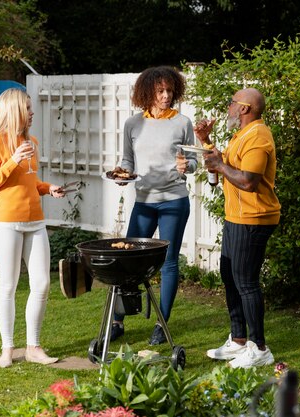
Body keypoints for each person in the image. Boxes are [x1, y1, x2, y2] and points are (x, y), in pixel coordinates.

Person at [111, 66, 198, 345]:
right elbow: (127, 161)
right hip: (144, 202)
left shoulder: (183, 123)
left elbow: (193, 162)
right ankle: (117, 322)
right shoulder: (133, 124)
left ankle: (162, 324)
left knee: (169, 263)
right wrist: (122, 175)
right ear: (147, 92)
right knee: (128, 259)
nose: (165, 96)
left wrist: (188, 165)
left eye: (169, 91)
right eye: (160, 91)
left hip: (174, 200)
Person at [0, 88, 67, 368]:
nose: (32, 113)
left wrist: (47, 188)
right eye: (28, 109)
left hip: (35, 220)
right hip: (6, 222)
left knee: (41, 284)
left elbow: (29, 183)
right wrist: (13, 160)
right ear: (14, 111)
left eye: (31, 108)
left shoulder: (32, 141)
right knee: (8, 285)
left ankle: (33, 346)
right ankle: (7, 348)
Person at [196, 87, 281, 368]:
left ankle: (259, 348)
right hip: (236, 217)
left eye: (232, 103)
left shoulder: (258, 137)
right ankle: (238, 340)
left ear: (245, 109)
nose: (229, 107)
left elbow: (248, 181)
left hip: (254, 219)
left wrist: (220, 166)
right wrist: (206, 142)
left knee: (246, 281)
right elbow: (223, 165)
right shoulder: (240, 135)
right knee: (230, 276)